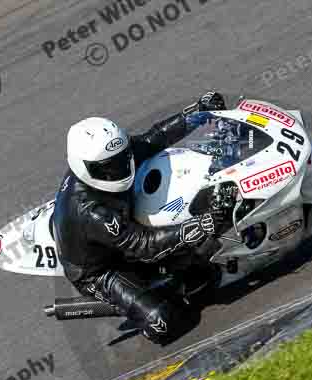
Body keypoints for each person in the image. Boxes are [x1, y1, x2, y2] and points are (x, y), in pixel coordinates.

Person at [52, 91, 227, 344]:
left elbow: (152, 139)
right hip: (102, 270)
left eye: (121, 160)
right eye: (108, 168)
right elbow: (144, 246)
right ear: (84, 167)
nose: (120, 169)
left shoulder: (113, 155)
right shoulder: (91, 211)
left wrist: (197, 114)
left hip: (123, 231)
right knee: (165, 322)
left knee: (204, 273)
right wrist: (199, 225)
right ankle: (128, 300)